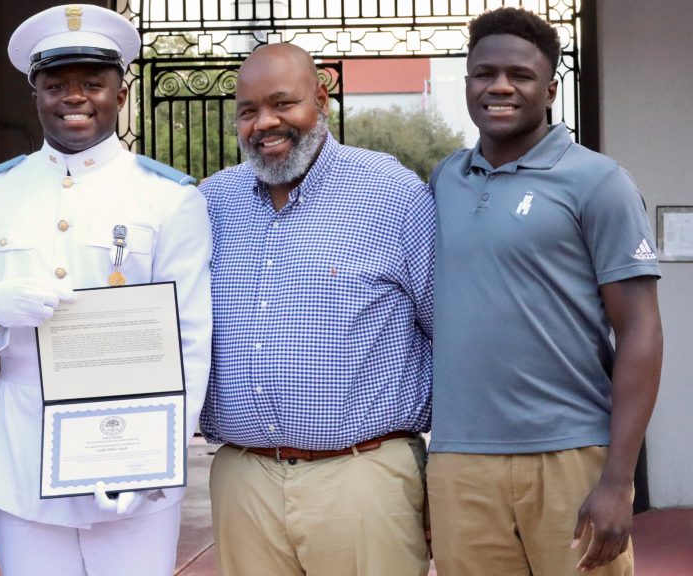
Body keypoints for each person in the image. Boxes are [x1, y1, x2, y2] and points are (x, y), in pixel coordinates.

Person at [0, 5, 212, 575]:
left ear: (120, 92)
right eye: (56, 84)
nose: (75, 97)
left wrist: (157, 457)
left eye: (93, 83)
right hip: (24, 457)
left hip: (132, 444)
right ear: (34, 93)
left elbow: (189, 343)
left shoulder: (168, 199)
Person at [427, 7, 663, 576]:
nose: (500, 86)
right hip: (461, 459)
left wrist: (618, 480)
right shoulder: (444, 180)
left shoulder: (597, 181)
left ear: (551, 88)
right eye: (485, 73)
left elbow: (641, 329)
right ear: (467, 84)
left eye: (520, 75)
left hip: (570, 454)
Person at [198, 42, 434, 576]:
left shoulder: (391, 193)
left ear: (321, 100)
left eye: (283, 104)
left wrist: (446, 472)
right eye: (249, 111)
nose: (266, 123)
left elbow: (448, 334)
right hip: (243, 479)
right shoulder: (212, 204)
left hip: (362, 475)